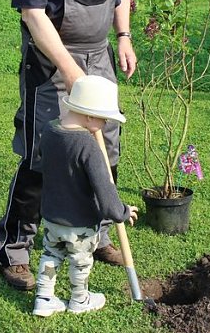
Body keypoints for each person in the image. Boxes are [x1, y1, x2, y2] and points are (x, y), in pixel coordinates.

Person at [0, 0, 138, 290]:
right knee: (43, 153)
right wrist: (71, 73)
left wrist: (124, 37)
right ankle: (14, 249)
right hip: (50, 61)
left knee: (105, 146)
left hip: (99, 57)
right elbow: (33, 15)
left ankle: (96, 236)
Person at [32, 75, 138, 316]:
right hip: (80, 223)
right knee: (80, 262)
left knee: (51, 255)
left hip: (51, 216)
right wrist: (122, 211)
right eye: (103, 119)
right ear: (89, 116)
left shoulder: (50, 130)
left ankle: (44, 298)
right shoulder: (87, 145)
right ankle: (80, 299)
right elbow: (104, 189)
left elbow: (41, 162)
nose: (104, 125)